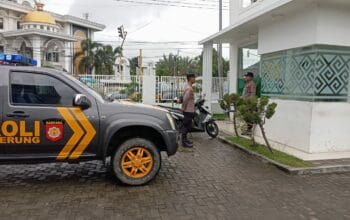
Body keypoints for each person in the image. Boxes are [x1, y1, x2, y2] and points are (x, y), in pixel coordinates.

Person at [181, 73, 196, 148]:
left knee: (188, 126)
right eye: (194, 77)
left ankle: (185, 140)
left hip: (189, 110)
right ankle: (184, 142)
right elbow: (185, 99)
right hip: (188, 111)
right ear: (190, 79)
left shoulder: (188, 86)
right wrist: (183, 108)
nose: (195, 79)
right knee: (186, 126)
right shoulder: (189, 89)